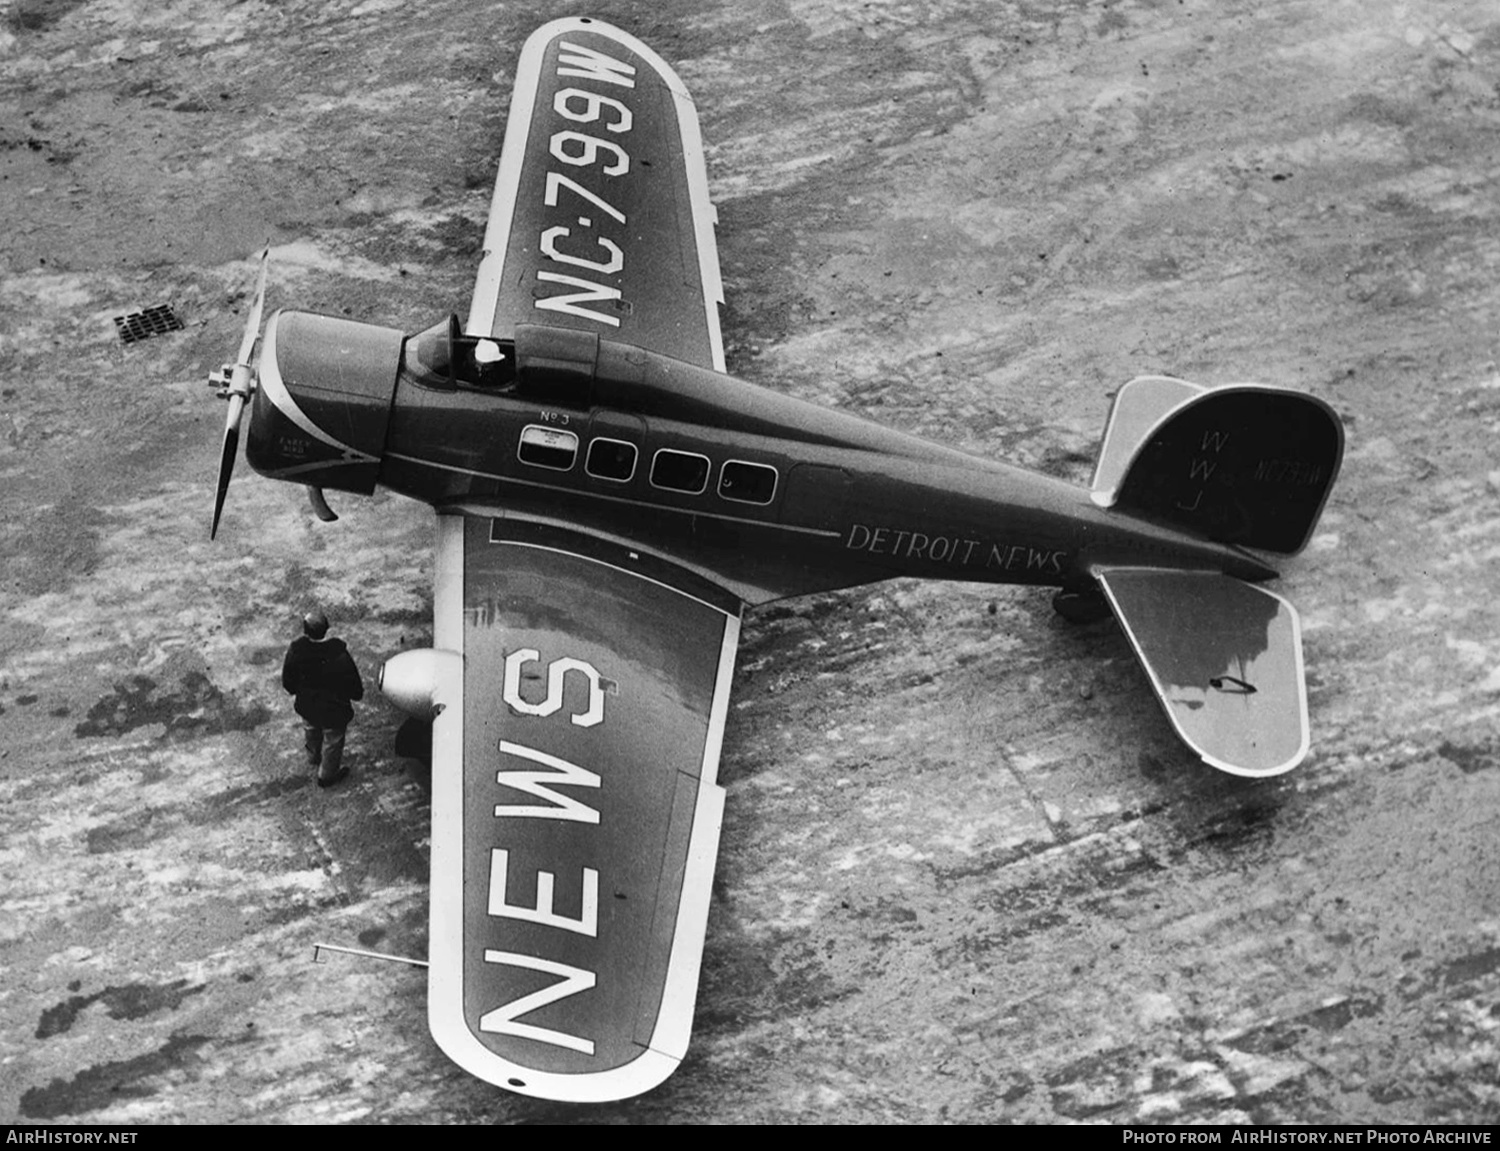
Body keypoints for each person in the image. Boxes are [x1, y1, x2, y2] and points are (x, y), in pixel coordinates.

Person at [281, 610, 364, 788]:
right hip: (333, 709)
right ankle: (326, 775)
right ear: (326, 629)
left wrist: (297, 691)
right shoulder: (339, 654)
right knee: (333, 741)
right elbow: (353, 684)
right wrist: (355, 694)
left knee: (311, 729)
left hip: (307, 704)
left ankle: (313, 756)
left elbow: (288, 680)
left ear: (305, 630)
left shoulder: (296, 650)